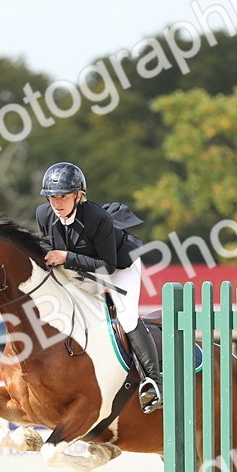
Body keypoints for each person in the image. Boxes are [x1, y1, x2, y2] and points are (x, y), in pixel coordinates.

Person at [34, 161, 163, 413]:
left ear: (78, 195)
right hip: (82, 269)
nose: (56, 203)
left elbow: (108, 265)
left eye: (62, 197)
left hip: (119, 267)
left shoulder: (96, 218)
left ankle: (153, 383)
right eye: (52, 197)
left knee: (125, 317)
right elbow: (49, 250)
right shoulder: (44, 215)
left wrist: (66, 257)